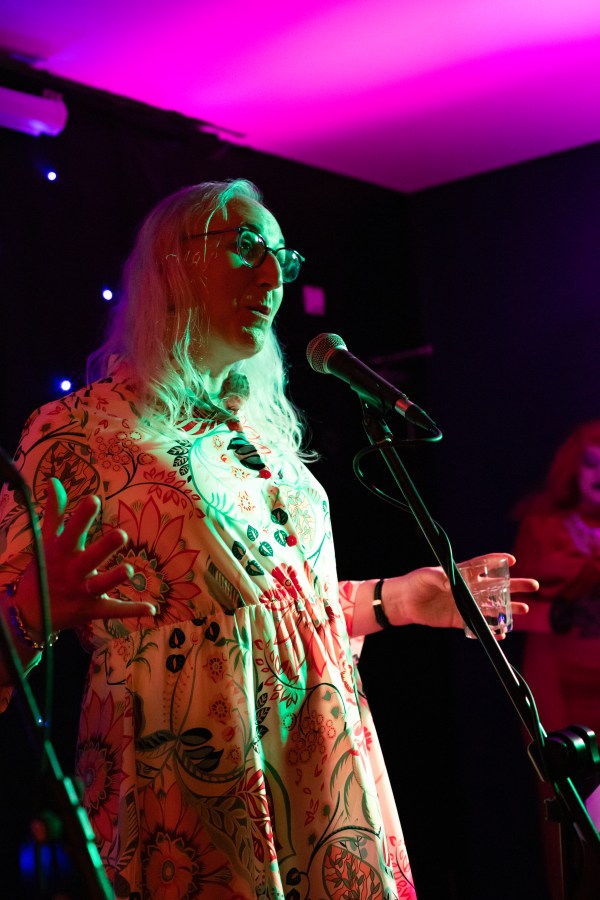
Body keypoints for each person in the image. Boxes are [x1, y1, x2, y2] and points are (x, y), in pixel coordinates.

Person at [0, 179, 537, 900]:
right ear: (170, 264)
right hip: (187, 776)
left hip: (322, 764)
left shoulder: (261, 433)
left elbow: (274, 616)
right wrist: (32, 610)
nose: (274, 274)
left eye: (282, 255)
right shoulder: (77, 432)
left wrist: (401, 599)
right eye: (247, 246)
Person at [513, 421, 600, 846]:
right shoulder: (541, 527)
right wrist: (559, 615)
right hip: (560, 687)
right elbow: (507, 611)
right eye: (590, 464)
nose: (598, 474)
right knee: (571, 807)